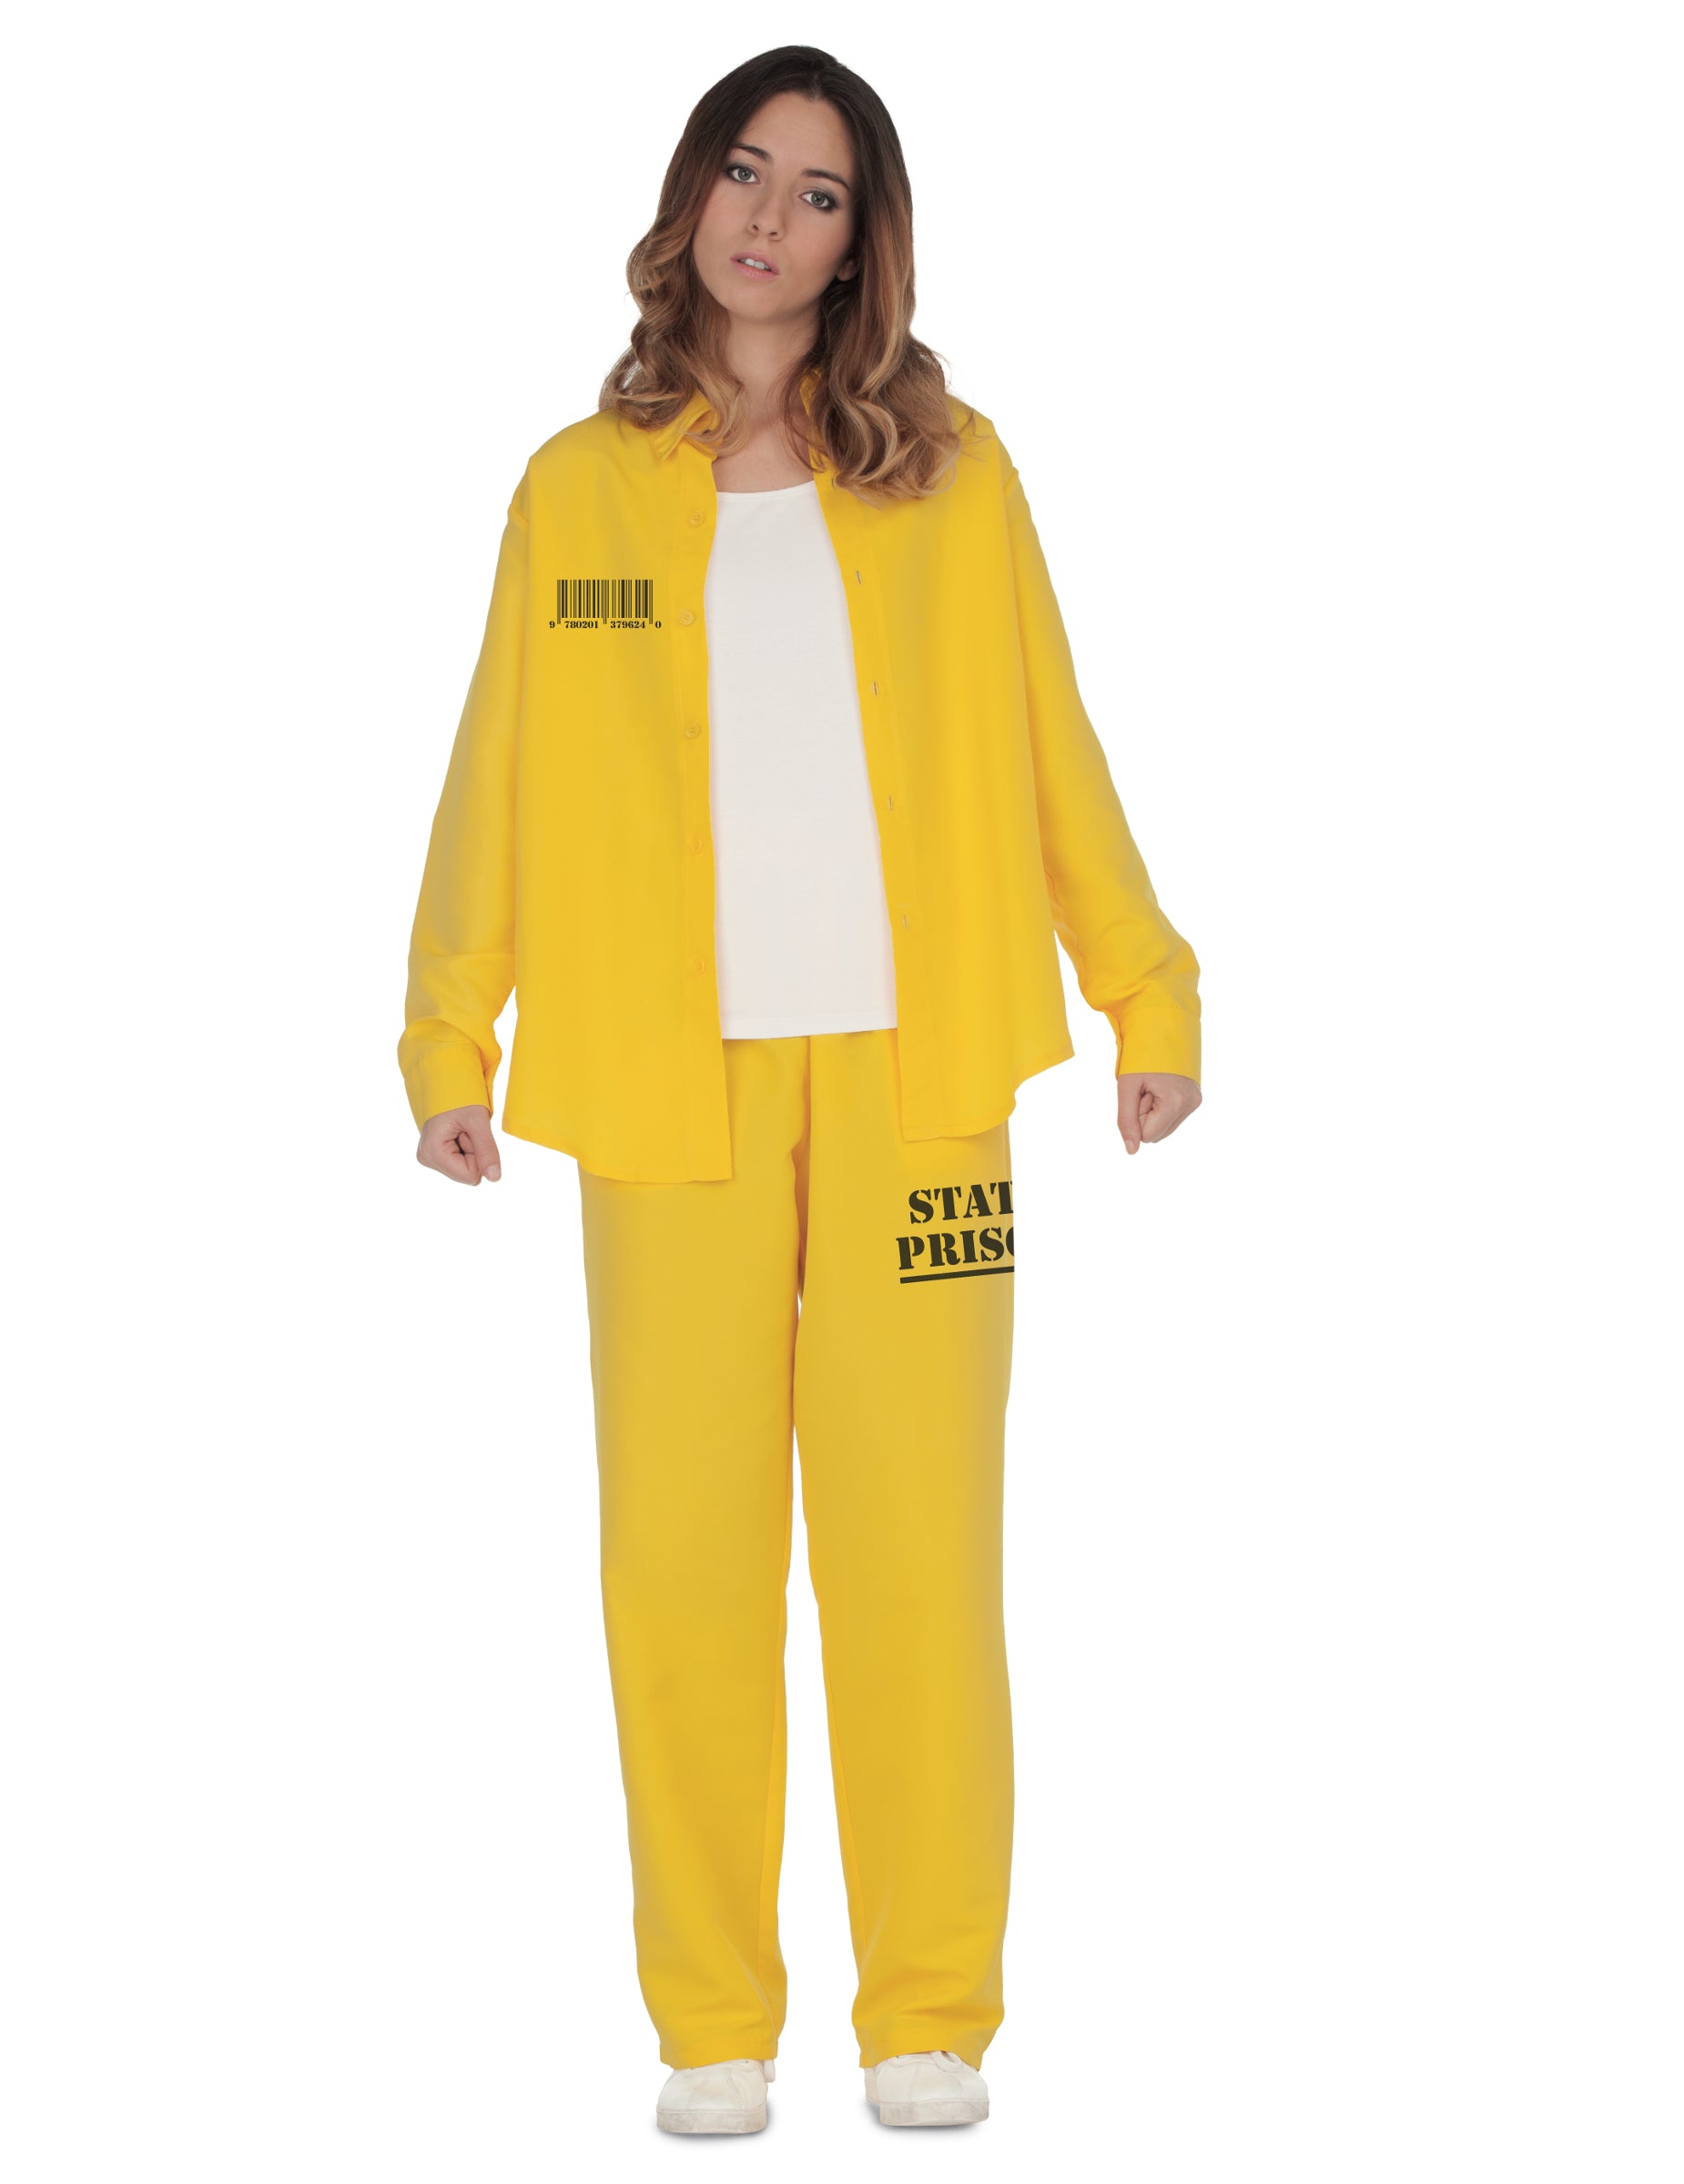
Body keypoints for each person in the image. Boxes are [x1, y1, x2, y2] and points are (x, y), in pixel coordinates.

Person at [398, 45, 1202, 2136]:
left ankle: (928, 2008)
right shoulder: (578, 494)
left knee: (919, 1551)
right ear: (692, 198)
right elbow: (499, 765)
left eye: (820, 193)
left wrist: (1144, 988)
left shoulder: (956, 473)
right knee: (678, 1565)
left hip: (925, 1094)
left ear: (863, 243)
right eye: (744, 173)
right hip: (661, 1095)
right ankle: (713, 2025)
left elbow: (1048, 733)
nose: (769, 219)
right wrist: (449, 1030)